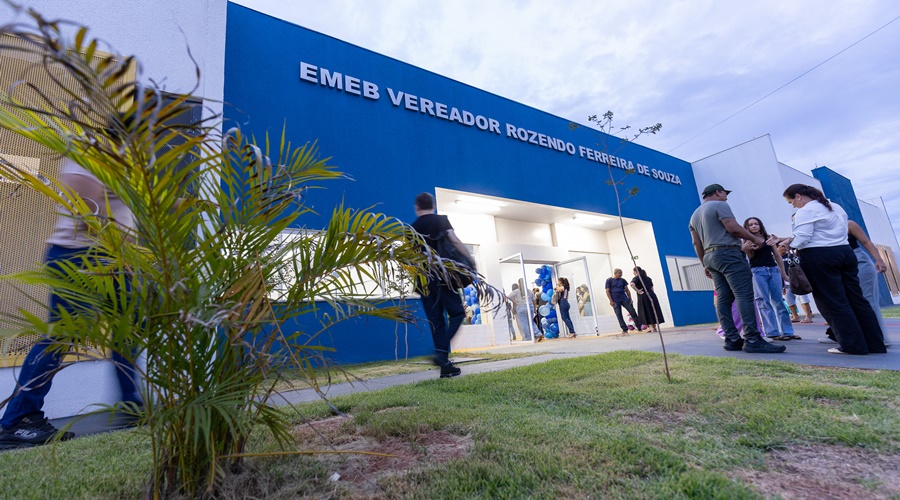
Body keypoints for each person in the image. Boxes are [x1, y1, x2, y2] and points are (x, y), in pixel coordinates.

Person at [0, 158, 143, 449]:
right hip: (79, 256)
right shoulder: (87, 158)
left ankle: (131, 405)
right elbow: (87, 210)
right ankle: (18, 419)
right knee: (62, 336)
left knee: (127, 329)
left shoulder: (124, 160)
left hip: (114, 259)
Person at [782, 184, 885, 355]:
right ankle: (875, 344)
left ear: (798, 196)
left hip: (820, 256)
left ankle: (853, 345)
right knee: (857, 299)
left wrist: (788, 243)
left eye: (791, 201)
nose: (793, 206)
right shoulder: (835, 207)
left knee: (833, 302)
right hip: (845, 252)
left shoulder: (805, 211)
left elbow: (803, 238)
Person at [688, 183, 786, 353]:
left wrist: (704, 263)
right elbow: (733, 228)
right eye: (725, 193)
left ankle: (732, 338)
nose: (726, 197)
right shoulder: (720, 205)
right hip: (729, 254)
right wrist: (755, 239)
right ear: (718, 192)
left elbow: (696, 243)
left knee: (724, 298)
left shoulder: (694, 216)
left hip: (711, 257)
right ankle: (753, 339)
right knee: (744, 295)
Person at [411, 192, 468, 377]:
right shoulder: (440, 220)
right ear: (433, 205)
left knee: (436, 322)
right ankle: (441, 355)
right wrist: (469, 258)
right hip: (443, 276)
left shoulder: (412, 228)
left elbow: (409, 258)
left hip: (423, 281)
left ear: (416, 207)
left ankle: (445, 367)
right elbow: (454, 240)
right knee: (458, 313)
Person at [742, 217, 800, 341]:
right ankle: (772, 332)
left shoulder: (768, 238)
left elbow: (777, 256)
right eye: (751, 224)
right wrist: (744, 249)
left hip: (773, 270)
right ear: (747, 227)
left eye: (756, 224)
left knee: (779, 301)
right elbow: (742, 259)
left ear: (760, 225)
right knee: (763, 301)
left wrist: (783, 274)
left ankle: (788, 332)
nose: (754, 226)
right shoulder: (746, 241)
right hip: (757, 272)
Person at [777, 242, 814, 323]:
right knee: (789, 300)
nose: (784, 247)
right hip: (786, 283)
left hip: (797, 281)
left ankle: (808, 316)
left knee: (803, 298)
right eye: (782, 246)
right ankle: (795, 316)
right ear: (777, 248)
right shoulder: (776, 258)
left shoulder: (791, 256)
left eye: (785, 246)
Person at [606, 269, 642, 334]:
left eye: (621, 273)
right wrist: (611, 301)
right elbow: (607, 291)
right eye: (619, 273)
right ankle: (624, 329)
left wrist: (630, 299)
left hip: (624, 299)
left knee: (632, 312)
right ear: (615, 273)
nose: (621, 274)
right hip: (615, 300)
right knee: (619, 314)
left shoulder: (622, 280)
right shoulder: (609, 280)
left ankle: (639, 327)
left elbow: (627, 290)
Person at [630, 267, 665, 333]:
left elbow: (632, 284)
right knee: (652, 310)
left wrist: (638, 291)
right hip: (652, 295)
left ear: (635, 271)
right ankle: (654, 327)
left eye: (633, 272)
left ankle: (651, 327)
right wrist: (651, 294)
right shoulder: (648, 278)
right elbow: (652, 288)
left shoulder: (637, 278)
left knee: (647, 311)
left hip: (644, 296)